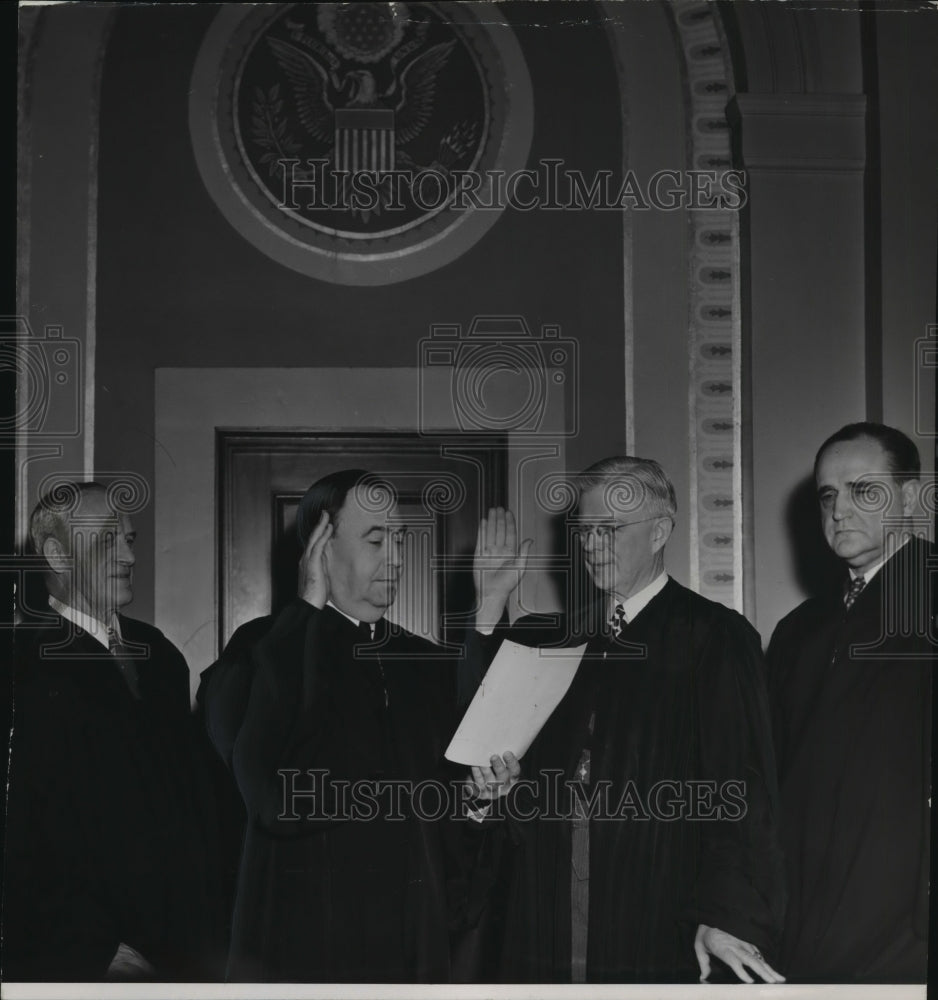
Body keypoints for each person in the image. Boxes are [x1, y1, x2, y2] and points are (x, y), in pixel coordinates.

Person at [469, 456, 786, 983]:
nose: (591, 544)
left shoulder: (714, 636)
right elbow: (479, 737)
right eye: (585, 529)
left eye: (609, 529)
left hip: (655, 894)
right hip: (549, 892)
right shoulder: (556, 637)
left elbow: (742, 786)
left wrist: (727, 912)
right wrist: (489, 606)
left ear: (659, 531)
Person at [200, 469, 494, 982]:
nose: (396, 558)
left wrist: (477, 800)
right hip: (307, 942)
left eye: (400, 540)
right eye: (376, 539)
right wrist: (305, 612)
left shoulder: (421, 661)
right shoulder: (263, 649)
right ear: (320, 546)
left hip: (407, 943)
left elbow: (444, 813)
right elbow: (269, 795)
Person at [2, 481, 227, 981]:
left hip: (181, 949)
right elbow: (21, 834)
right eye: (107, 537)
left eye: (129, 537)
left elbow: (191, 805)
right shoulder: (23, 667)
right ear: (57, 555)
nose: (128, 551)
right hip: (89, 957)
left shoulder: (161, 655)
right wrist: (92, 946)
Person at [768, 422, 933, 982]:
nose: (839, 510)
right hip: (803, 906)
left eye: (864, 490)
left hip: (905, 916)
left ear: (909, 497)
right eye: (828, 494)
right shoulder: (798, 630)